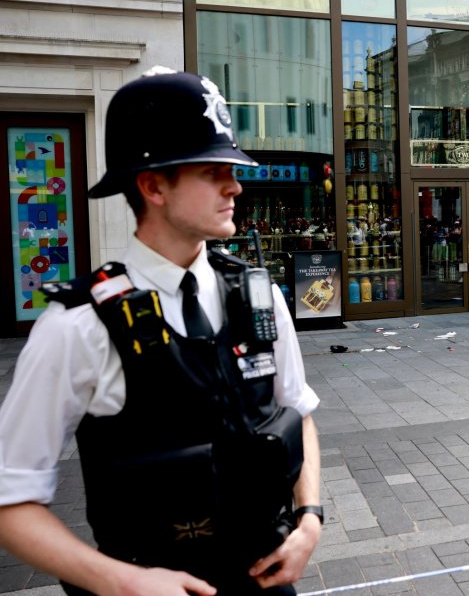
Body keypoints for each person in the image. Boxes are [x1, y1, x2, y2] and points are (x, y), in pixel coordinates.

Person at [0, 68, 323, 596]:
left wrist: (310, 518)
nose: (235, 185)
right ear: (152, 185)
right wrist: (123, 582)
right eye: (214, 170)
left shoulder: (257, 295)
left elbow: (297, 413)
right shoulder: (78, 326)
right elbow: (9, 500)